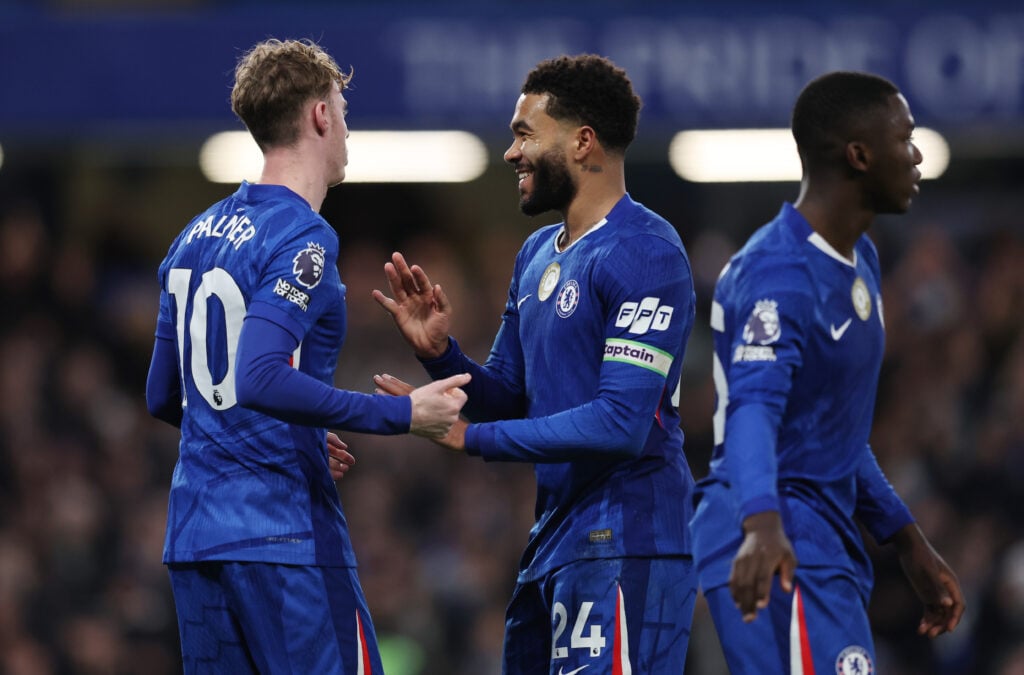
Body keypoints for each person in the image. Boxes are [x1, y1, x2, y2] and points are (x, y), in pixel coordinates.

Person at [144, 38, 469, 674]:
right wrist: (400, 416)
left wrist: (280, 433)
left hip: (194, 540)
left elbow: (165, 395)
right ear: (320, 115)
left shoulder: (192, 236)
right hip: (283, 536)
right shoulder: (302, 235)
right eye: (344, 109)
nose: (348, 126)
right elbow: (259, 374)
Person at [373, 54, 698, 674]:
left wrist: (471, 439)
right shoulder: (536, 255)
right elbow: (511, 394)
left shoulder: (646, 253)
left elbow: (620, 424)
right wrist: (440, 353)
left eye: (525, 134)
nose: (510, 153)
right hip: (554, 545)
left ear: (582, 142)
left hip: (628, 544)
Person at [688, 70, 965, 674]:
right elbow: (752, 410)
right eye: (906, 138)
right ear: (859, 155)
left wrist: (905, 539)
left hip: (820, 540)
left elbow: (827, 428)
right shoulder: (777, 274)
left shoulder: (859, 259)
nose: (917, 155)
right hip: (772, 538)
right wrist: (761, 524)